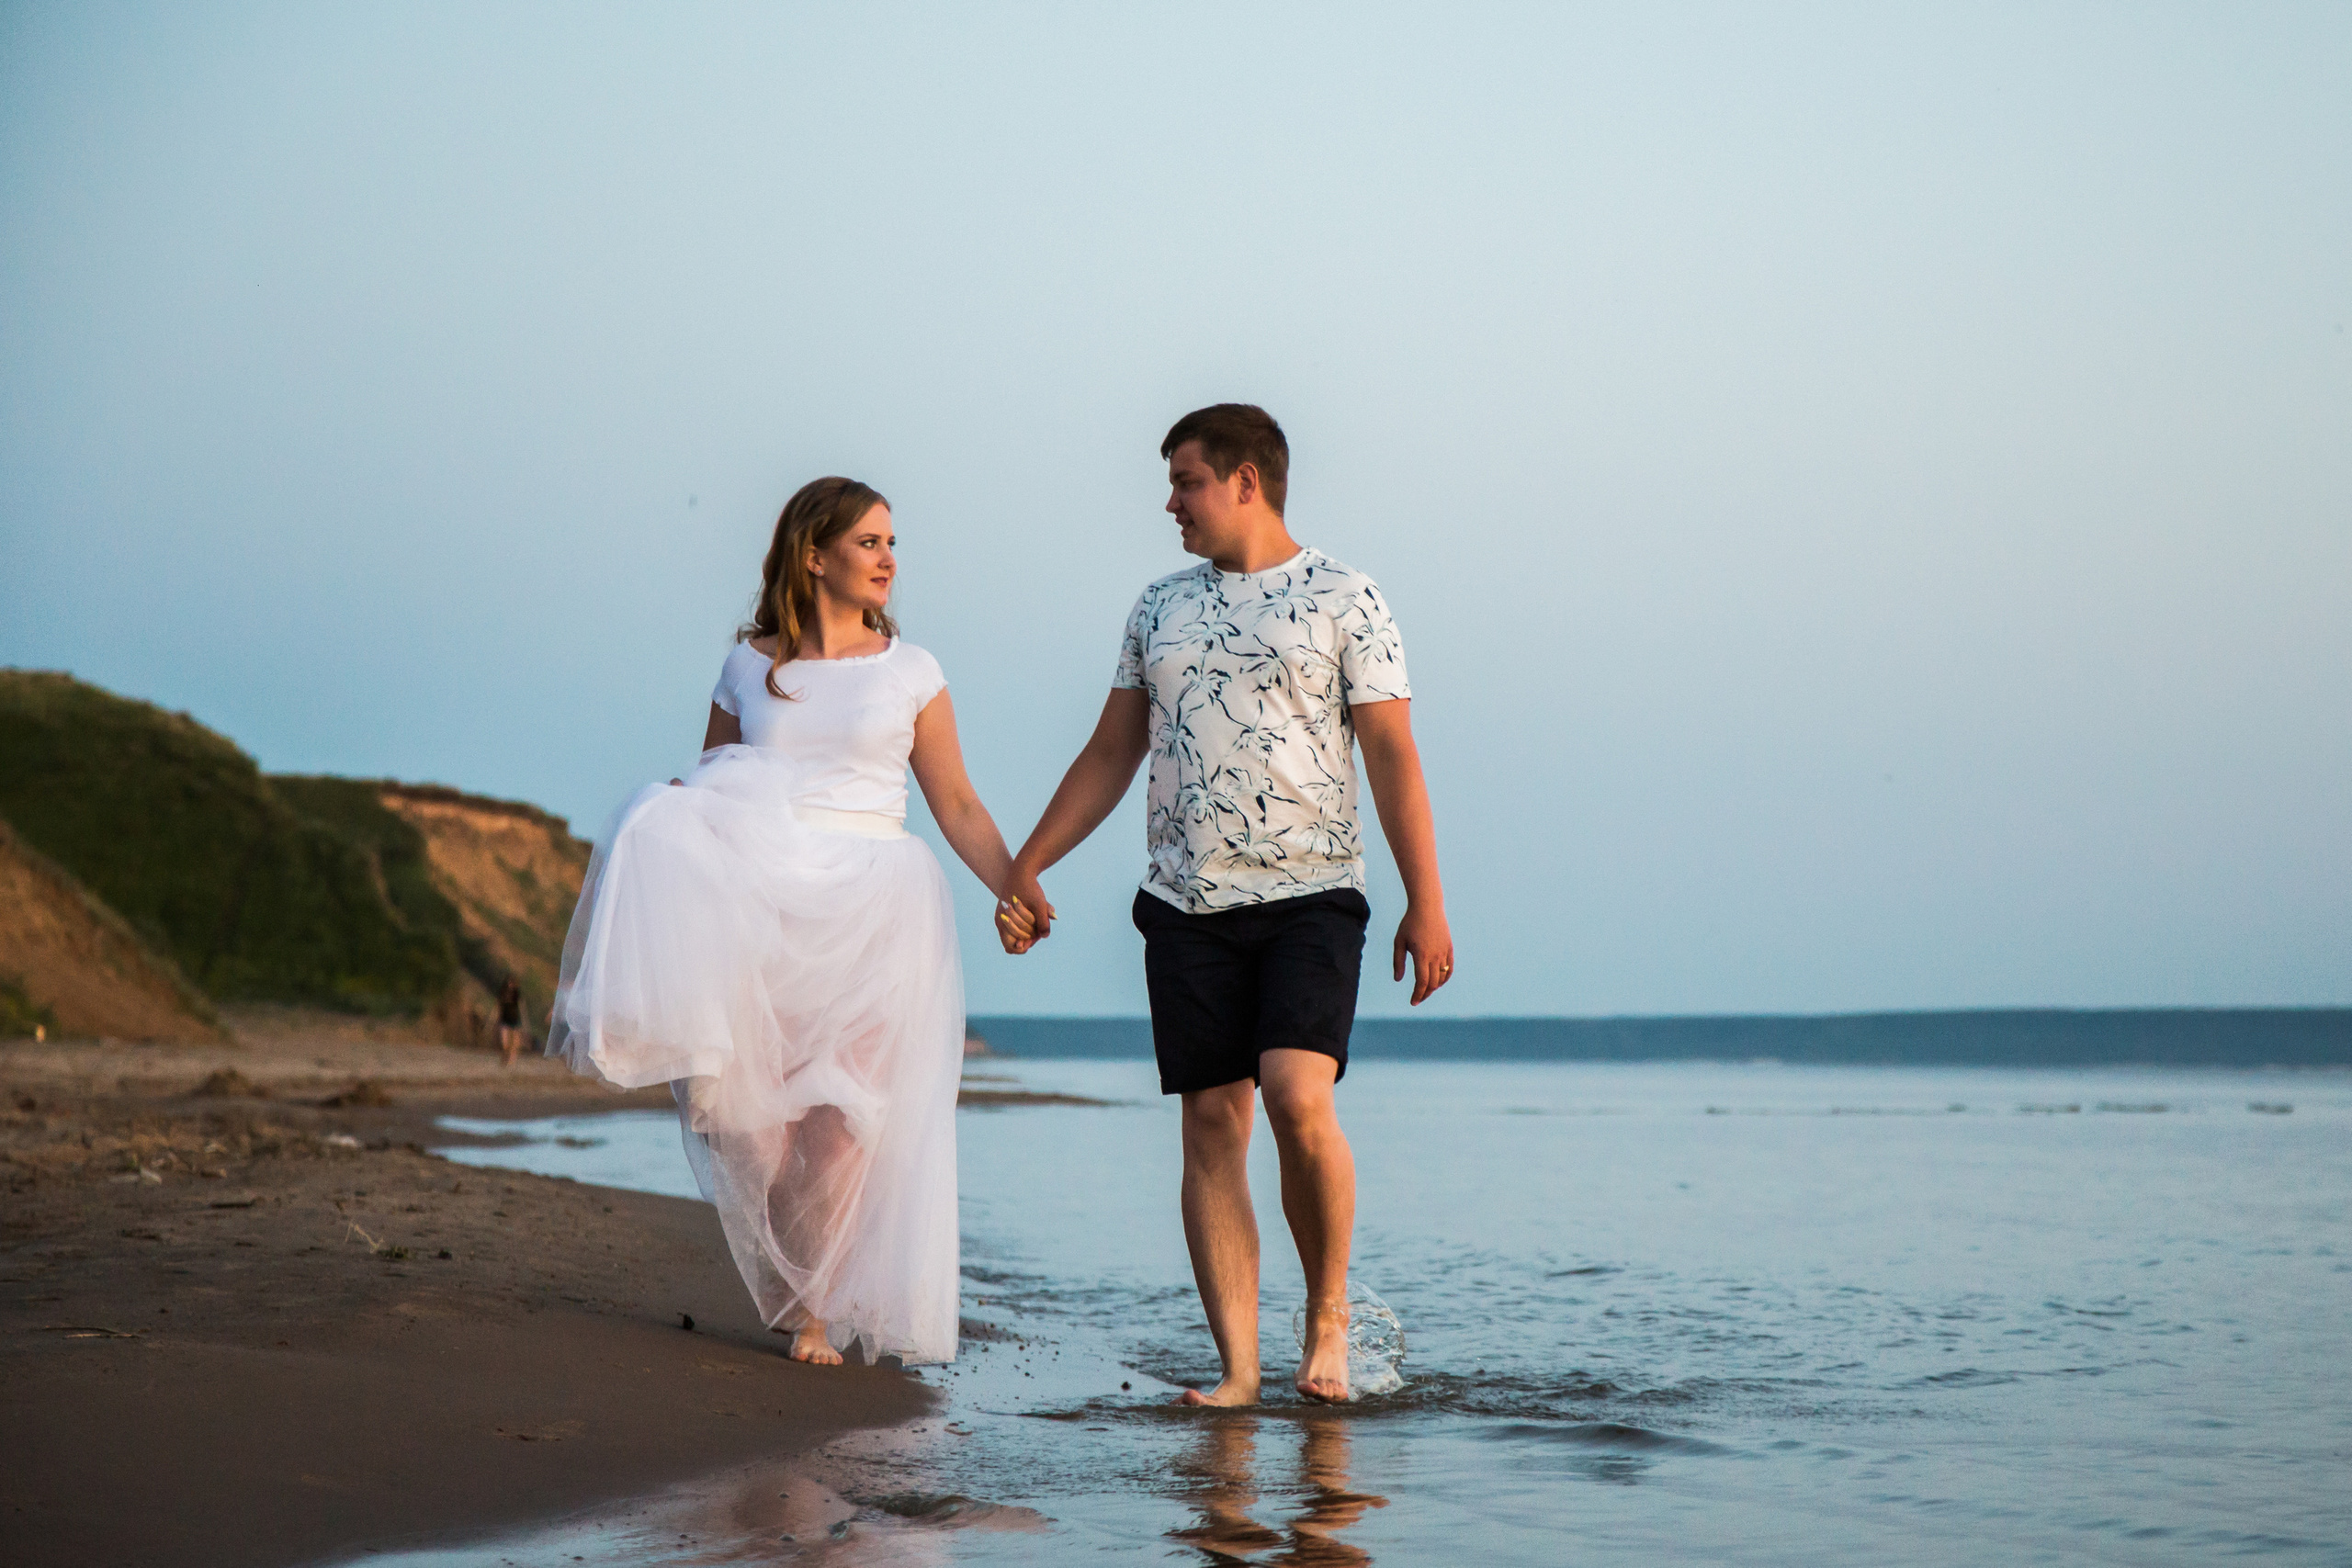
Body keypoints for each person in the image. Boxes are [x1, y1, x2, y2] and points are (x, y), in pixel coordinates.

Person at [998, 404, 1454, 1404]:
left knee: (1296, 1098)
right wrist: (1026, 864)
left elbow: (1391, 754)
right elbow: (1111, 751)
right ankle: (1240, 1372)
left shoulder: (1346, 597)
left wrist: (1427, 900)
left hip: (1313, 895)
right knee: (1212, 1121)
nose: (1170, 503)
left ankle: (1326, 1313)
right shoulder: (1156, 607)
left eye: (1186, 481)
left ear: (1247, 480)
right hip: (1185, 898)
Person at [548, 476, 1029, 1368]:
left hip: (877, 910)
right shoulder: (748, 668)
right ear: (816, 555)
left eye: (892, 543)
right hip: (762, 908)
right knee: (752, 1132)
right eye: (869, 543)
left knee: (843, 1131)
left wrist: (1014, 882)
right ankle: (790, 1264)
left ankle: (816, 1311)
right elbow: (711, 790)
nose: (889, 559)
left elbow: (956, 802)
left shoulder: (912, 672)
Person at [495, 976, 526, 1066]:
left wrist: (524, 1022)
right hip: (504, 1020)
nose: (510, 985)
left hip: (515, 1020)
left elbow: (522, 1008)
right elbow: (498, 1008)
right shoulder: (502, 994)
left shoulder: (517, 995)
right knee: (504, 1042)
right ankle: (505, 1057)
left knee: (514, 1043)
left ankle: (511, 1060)